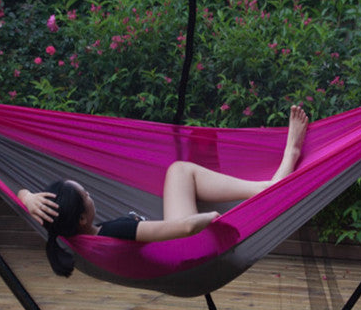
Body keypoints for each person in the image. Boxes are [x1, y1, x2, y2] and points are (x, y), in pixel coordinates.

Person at [18, 105, 309, 276]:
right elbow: (183, 228)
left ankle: (265, 186)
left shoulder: (66, 234)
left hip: (174, 258)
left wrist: (27, 197)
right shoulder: (115, 232)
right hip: (189, 252)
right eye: (87, 195)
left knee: (178, 171)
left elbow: (27, 201)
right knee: (181, 171)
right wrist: (215, 219)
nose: (91, 195)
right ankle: (282, 166)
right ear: (82, 217)